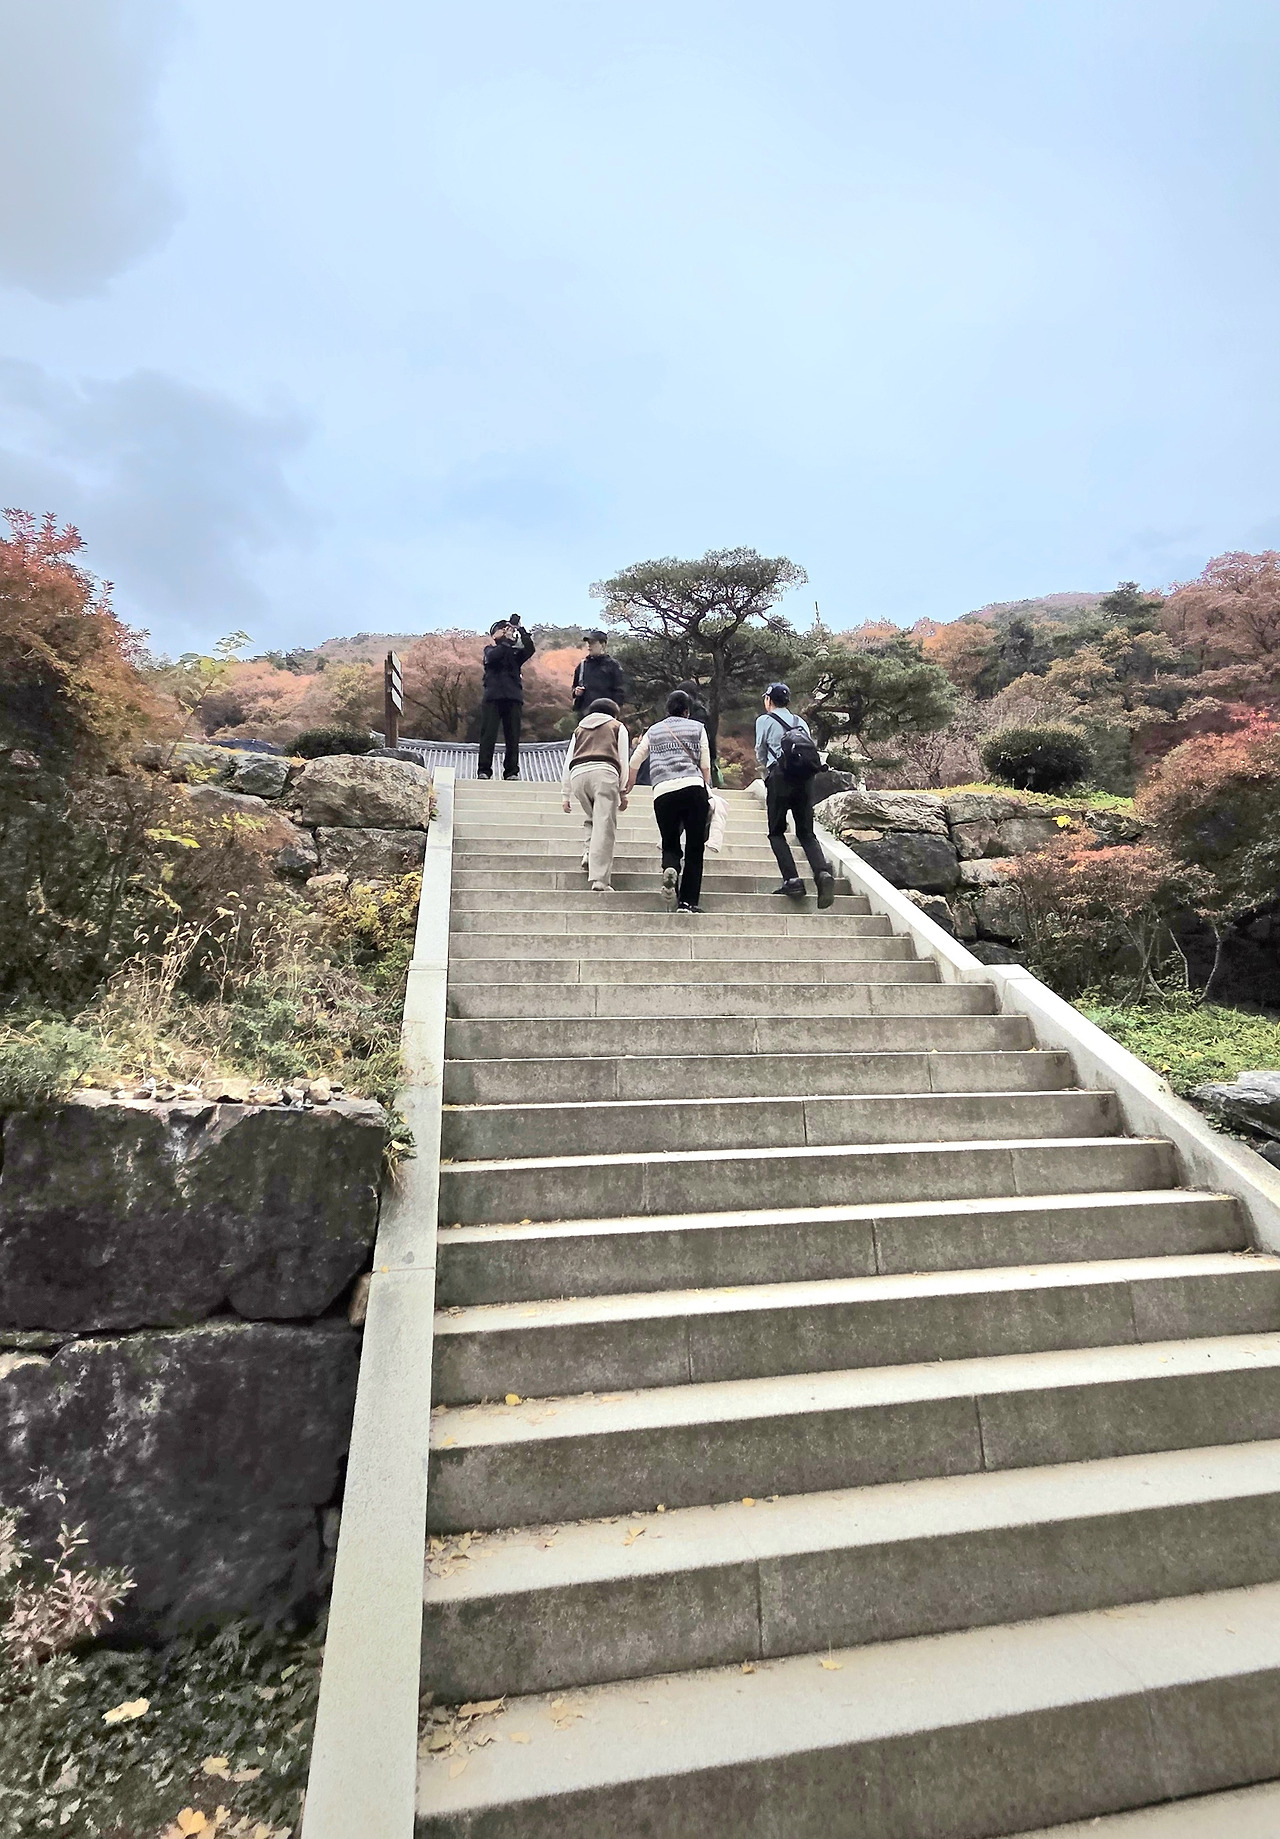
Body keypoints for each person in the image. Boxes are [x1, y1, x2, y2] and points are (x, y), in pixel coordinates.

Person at [625, 690, 711, 913]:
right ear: (687, 711)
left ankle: (671, 867)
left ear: (667, 710)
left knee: (670, 841)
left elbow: (635, 760)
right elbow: (705, 765)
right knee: (694, 847)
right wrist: (707, 787)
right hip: (693, 788)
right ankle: (687, 902)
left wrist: (629, 786)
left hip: (663, 791)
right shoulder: (697, 728)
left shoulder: (654, 730)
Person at [754, 681, 836, 908]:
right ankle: (822, 872)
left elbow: (760, 751)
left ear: (768, 700)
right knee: (806, 833)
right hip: (804, 781)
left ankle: (792, 880)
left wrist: (768, 766)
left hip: (780, 779)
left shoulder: (764, 721)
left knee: (776, 832)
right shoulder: (800, 722)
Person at [561, 697, 630, 890]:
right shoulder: (617, 726)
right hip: (604, 773)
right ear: (614, 714)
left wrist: (565, 793)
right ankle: (600, 880)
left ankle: (587, 853)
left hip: (578, 776)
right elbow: (623, 759)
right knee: (605, 825)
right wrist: (623, 790)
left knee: (593, 817)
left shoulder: (579, 729)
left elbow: (568, 761)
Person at [477, 615, 536, 779]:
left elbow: (530, 649)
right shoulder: (489, 650)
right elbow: (493, 658)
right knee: (488, 734)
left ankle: (511, 771)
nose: (505, 631)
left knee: (513, 736)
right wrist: (506, 642)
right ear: (493, 635)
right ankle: (484, 770)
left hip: (513, 696)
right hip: (493, 697)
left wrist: (520, 629)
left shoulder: (515, 653)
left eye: (506, 628)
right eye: (501, 629)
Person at [571, 631, 626, 719]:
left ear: (603, 645)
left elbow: (620, 691)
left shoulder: (613, 665)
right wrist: (576, 691)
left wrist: (613, 711)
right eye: (588, 642)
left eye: (593, 642)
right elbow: (574, 687)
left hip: (606, 716)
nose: (589, 645)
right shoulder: (582, 665)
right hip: (585, 716)